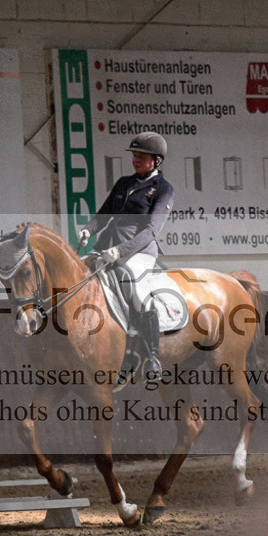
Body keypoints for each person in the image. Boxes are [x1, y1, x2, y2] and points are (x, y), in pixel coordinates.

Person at [78, 131, 174, 382]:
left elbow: (152, 230)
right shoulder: (123, 183)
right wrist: (89, 229)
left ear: (157, 160)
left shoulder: (163, 189)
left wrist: (121, 251)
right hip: (107, 247)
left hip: (139, 252)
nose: (136, 160)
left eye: (141, 156)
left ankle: (152, 356)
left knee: (139, 294)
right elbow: (103, 214)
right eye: (134, 155)